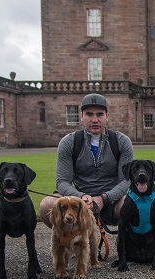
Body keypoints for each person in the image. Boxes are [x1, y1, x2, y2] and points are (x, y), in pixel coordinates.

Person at [40, 93, 135, 227]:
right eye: (89, 114)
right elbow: (62, 182)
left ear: (107, 116)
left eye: (99, 114)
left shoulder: (121, 141)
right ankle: (68, 241)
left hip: (112, 202)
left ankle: (127, 244)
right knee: (47, 205)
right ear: (81, 116)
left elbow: (126, 181)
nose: (94, 120)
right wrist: (81, 196)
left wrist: (104, 198)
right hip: (78, 203)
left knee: (133, 202)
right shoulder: (68, 142)